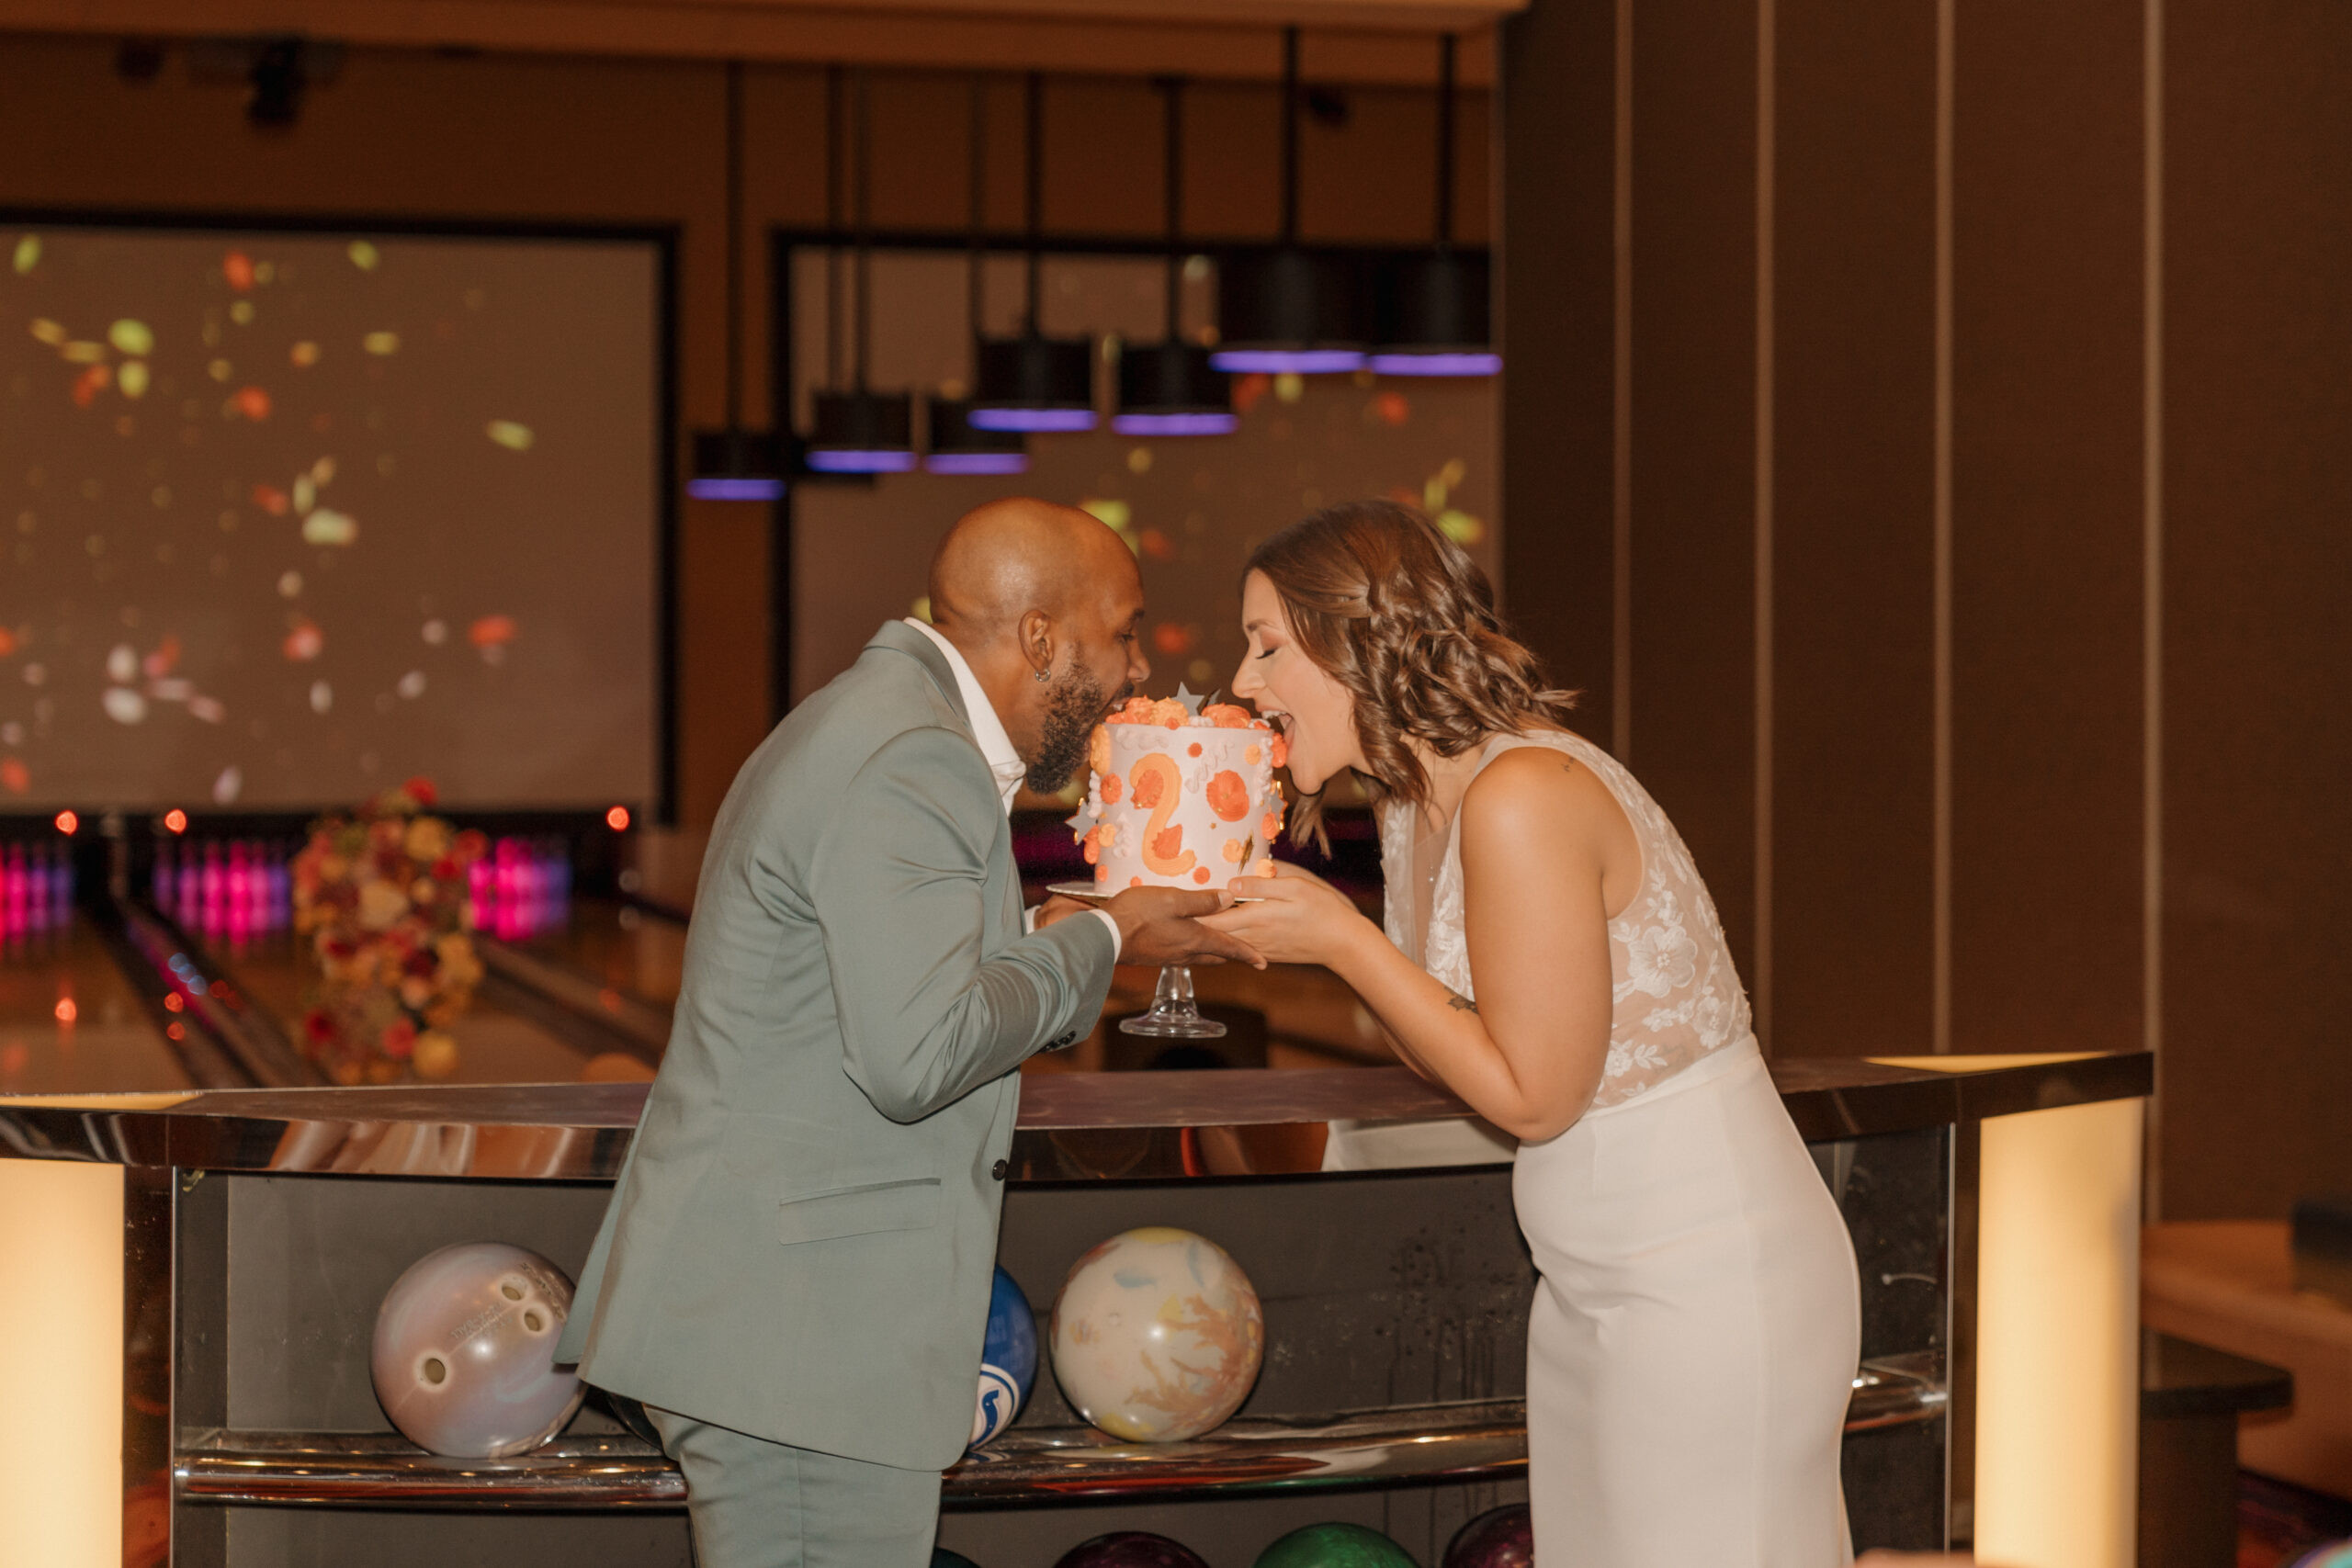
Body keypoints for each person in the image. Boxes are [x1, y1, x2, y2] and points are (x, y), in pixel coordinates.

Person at [554, 498, 1260, 1568]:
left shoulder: (875, 722)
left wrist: (1039, 932)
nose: (1131, 671)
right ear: (1038, 636)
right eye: (1121, 631)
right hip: (801, 1343)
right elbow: (917, 1055)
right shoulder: (910, 756)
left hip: (783, 1326)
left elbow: (876, 986)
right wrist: (1108, 935)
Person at [1203, 500, 1861, 1565]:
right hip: (1588, 1283)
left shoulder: (1520, 794)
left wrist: (1343, 943)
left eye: (1268, 645)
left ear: (1360, 640)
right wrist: (1303, 939)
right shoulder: (1420, 804)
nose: (1244, 682)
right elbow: (1456, 1048)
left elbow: (1535, 1095)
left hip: (1705, 1282)